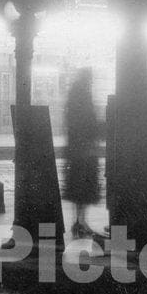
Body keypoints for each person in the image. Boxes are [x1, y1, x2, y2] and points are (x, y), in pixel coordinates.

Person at [63, 68, 100, 239]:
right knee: (83, 187)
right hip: (83, 149)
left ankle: (79, 222)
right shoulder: (83, 95)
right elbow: (87, 121)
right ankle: (80, 222)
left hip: (77, 148)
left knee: (79, 187)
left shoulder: (76, 94)